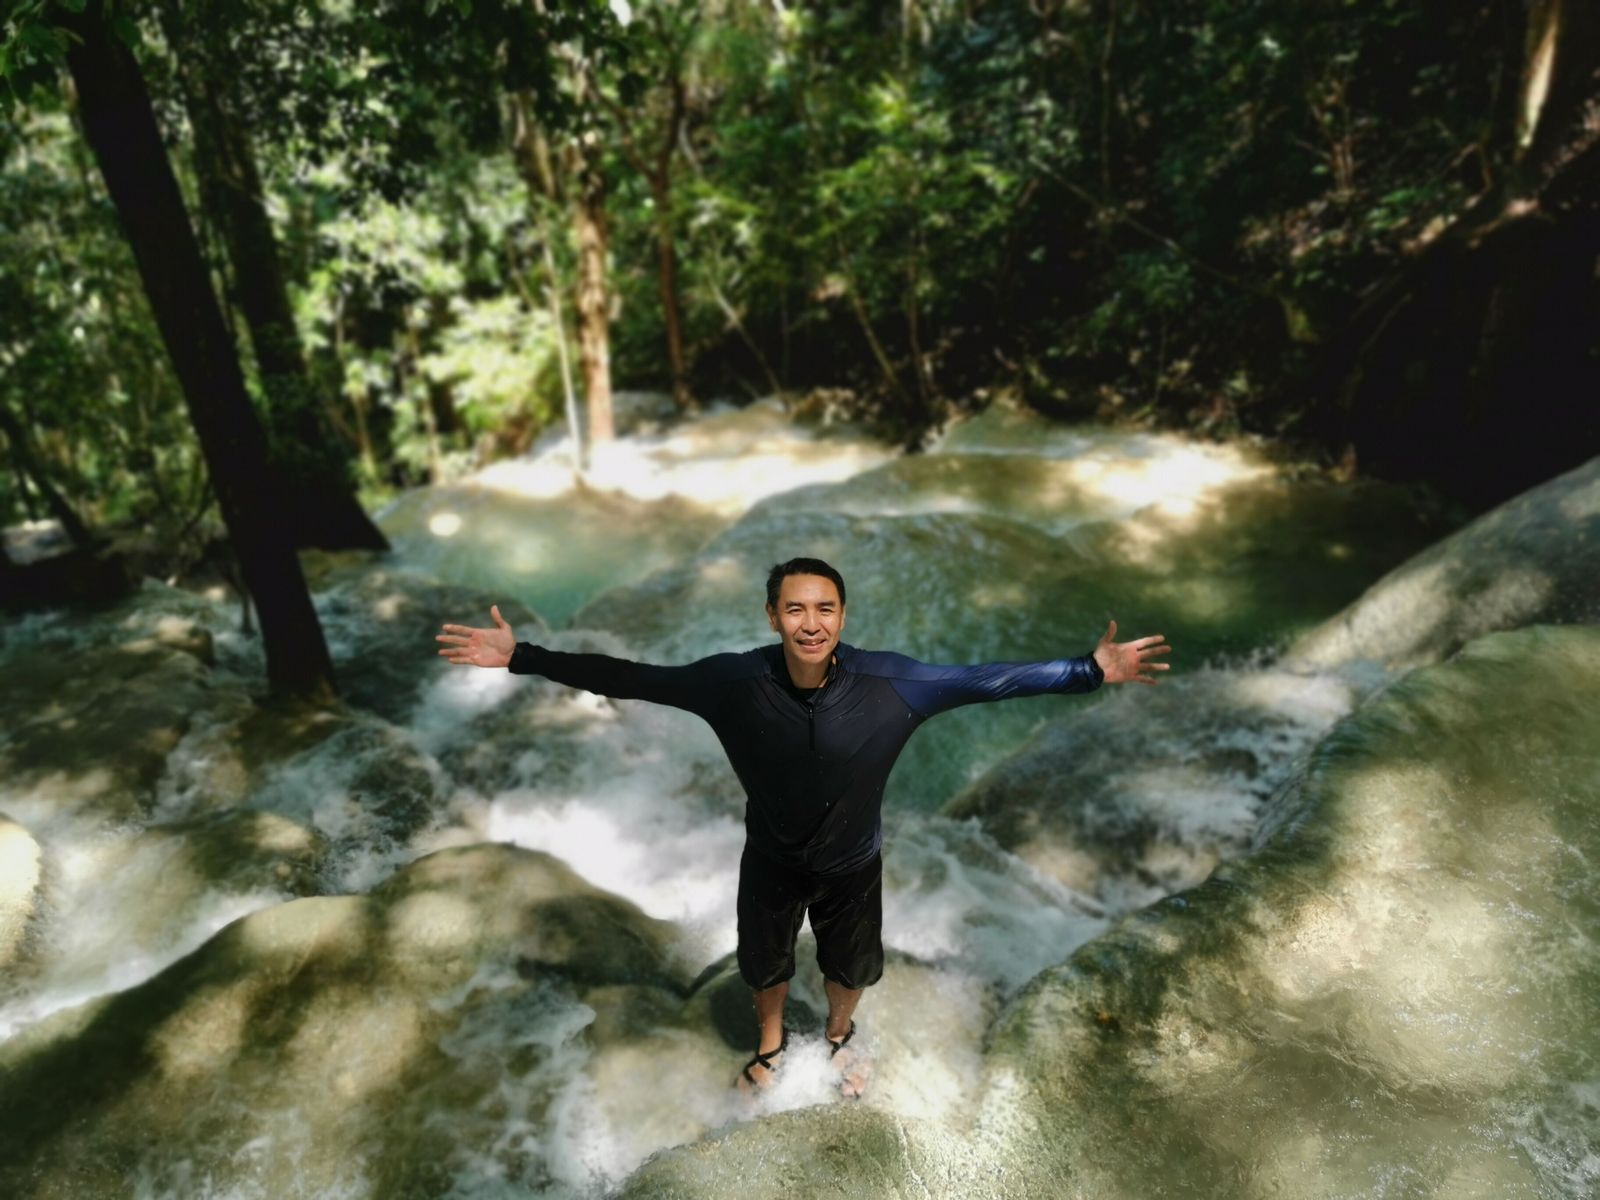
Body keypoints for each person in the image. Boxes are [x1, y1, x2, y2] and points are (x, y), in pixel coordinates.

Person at [436, 556, 1171, 1098]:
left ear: (842, 617)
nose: (810, 622)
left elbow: (991, 680)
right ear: (772, 617)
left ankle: (840, 1036)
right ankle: (770, 1045)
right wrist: (521, 656)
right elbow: (631, 677)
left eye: (824, 608)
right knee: (764, 965)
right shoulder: (732, 684)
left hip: (854, 863)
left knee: (850, 969)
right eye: (795, 609)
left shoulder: (893, 684)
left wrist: (1089, 669)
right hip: (771, 857)